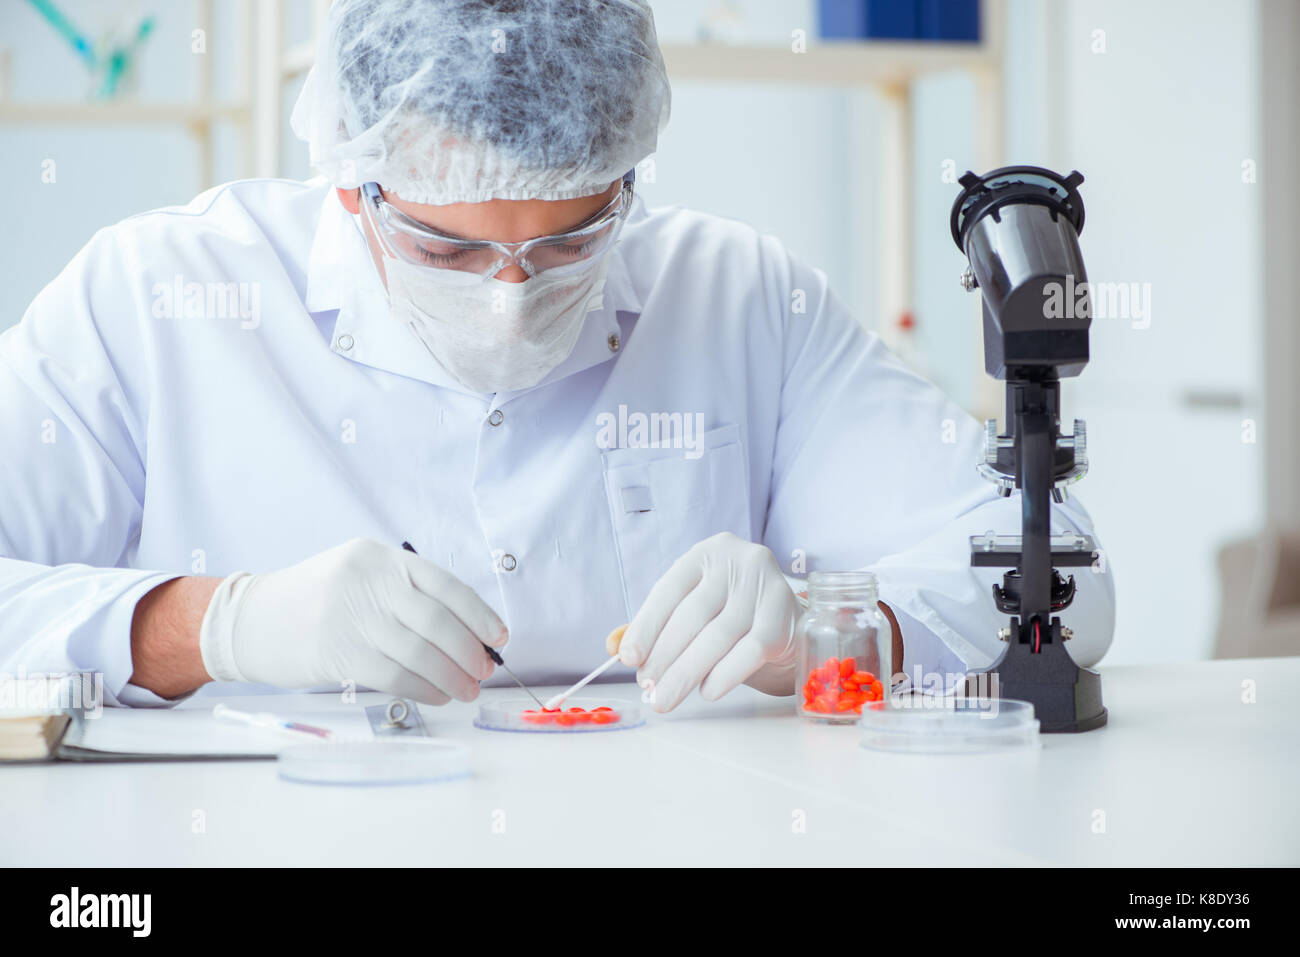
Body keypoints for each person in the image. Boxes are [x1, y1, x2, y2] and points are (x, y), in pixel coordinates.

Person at [0, 0, 1113, 712]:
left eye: (572, 238)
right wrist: (216, 624)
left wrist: (843, 632)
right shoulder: (157, 295)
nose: (510, 300)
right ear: (351, 184)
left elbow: (1065, 580)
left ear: (629, 177)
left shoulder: (736, 296)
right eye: (446, 248)